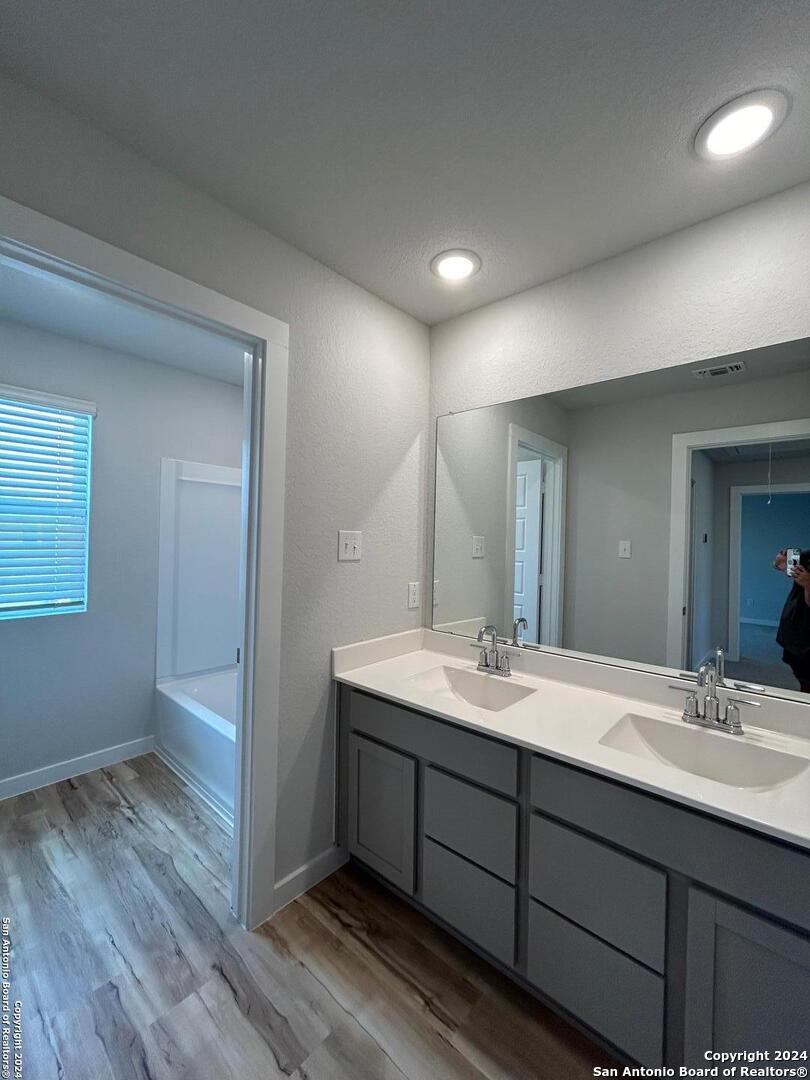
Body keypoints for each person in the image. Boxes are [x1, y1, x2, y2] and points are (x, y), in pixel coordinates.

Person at [774, 549, 810, 692]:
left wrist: (808, 584)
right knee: (803, 679)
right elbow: (780, 566)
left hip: (807, 640)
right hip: (795, 630)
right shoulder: (807, 557)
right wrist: (779, 563)